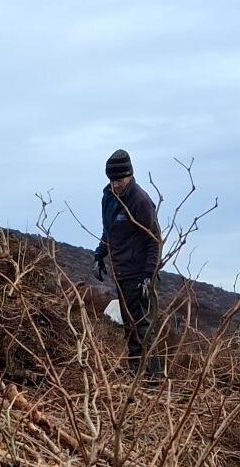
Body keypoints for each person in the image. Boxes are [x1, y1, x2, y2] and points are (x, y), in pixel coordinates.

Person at [93, 149, 163, 377]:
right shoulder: (108, 198)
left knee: (143, 329)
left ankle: (152, 381)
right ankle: (136, 376)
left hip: (140, 274)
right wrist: (99, 254)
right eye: (112, 180)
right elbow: (109, 231)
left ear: (130, 176)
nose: (116, 185)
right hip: (121, 273)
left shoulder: (140, 201)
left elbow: (154, 240)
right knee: (129, 328)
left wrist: (148, 276)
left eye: (120, 180)